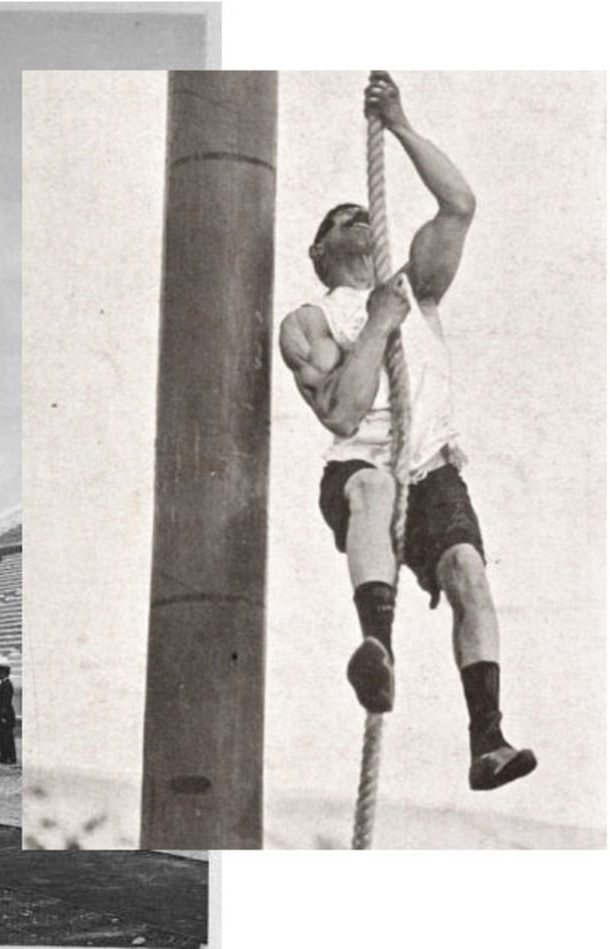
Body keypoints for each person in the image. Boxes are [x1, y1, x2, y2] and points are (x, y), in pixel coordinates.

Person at [278, 72, 536, 791]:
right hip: (362, 468)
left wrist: (398, 123)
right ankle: (377, 647)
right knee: (369, 483)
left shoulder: (415, 286)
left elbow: (459, 204)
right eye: (339, 219)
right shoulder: (312, 318)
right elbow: (341, 413)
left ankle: (487, 737)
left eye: (364, 212)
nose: (358, 218)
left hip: (432, 466)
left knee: (468, 573)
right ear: (319, 252)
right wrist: (380, 324)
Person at [0, 663, 17, 765]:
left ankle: (8, 757)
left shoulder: (6, 685)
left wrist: (3, 715)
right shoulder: (6, 684)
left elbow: (5, 702)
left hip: (6, 715)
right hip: (7, 714)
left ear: (3, 673)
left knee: (6, 737)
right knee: (5, 736)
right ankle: (7, 756)